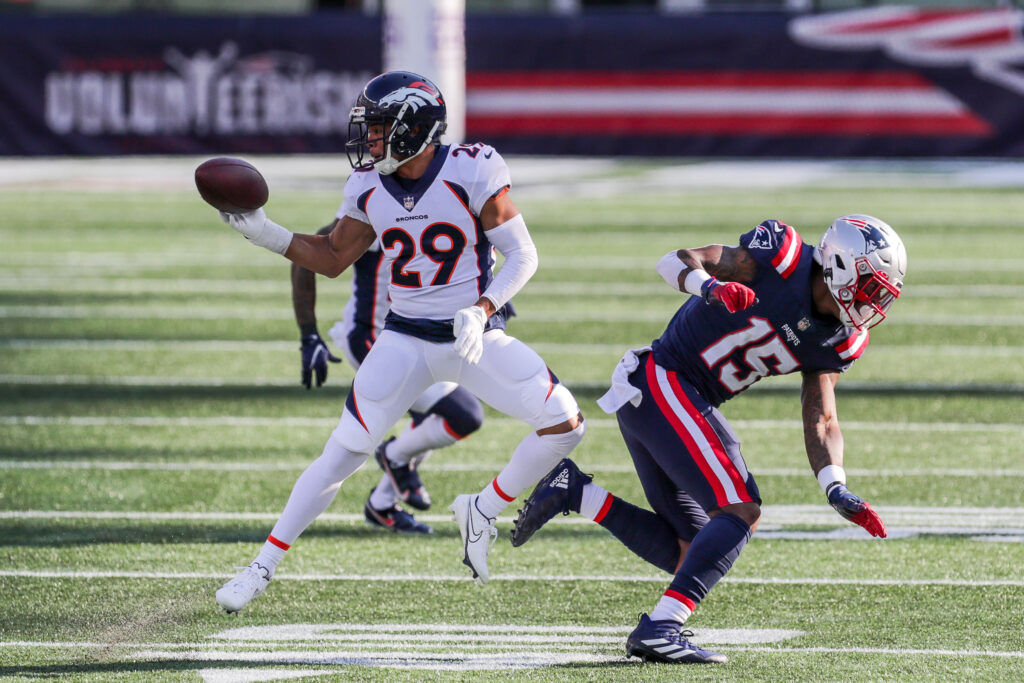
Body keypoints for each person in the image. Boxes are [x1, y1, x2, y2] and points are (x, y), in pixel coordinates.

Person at [213, 71, 585, 613]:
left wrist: (482, 311)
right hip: (403, 338)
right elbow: (333, 257)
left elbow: (523, 254)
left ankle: (482, 507)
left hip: (470, 337)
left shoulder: (472, 168)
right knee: (341, 453)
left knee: (566, 426)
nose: (368, 139)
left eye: (380, 127)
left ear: (415, 128)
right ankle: (260, 567)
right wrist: (263, 231)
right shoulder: (367, 185)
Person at [511, 215, 907, 664]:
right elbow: (676, 260)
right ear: (838, 265)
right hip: (664, 379)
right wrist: (709, 287)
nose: (873, 303)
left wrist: (835, 486)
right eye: (871, 287)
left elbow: (822, 417)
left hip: (665, 398)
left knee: (693, 550)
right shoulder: (782, 259)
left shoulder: (840, 338)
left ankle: (578, 493)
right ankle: (661, 628)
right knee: (741, 508)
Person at [293, 231, 494, 535]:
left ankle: (382, 503)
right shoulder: (378, 199)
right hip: (376, 339)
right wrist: (308, 332)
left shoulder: (439, 193)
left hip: (419, 334)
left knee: (436, 416)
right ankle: (394, 458)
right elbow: (308, 253)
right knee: (464, 414)